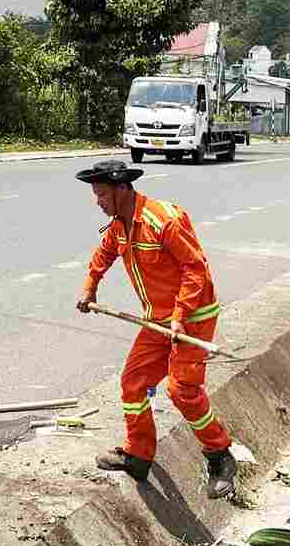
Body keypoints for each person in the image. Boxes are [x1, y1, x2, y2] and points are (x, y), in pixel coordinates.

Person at [72, 159, 238, 499]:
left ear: (121, 189)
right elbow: (103, 255)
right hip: (157, 320)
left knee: (182, 391)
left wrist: (180, 315)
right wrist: (89, 288)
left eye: (102, 194)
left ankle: (221, 457)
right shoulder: (120, 225)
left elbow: (196, 269)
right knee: (134, 384)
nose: (98, 202)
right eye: (95, 195)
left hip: (194, 317)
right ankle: (138, 455)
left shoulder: (163, 220)